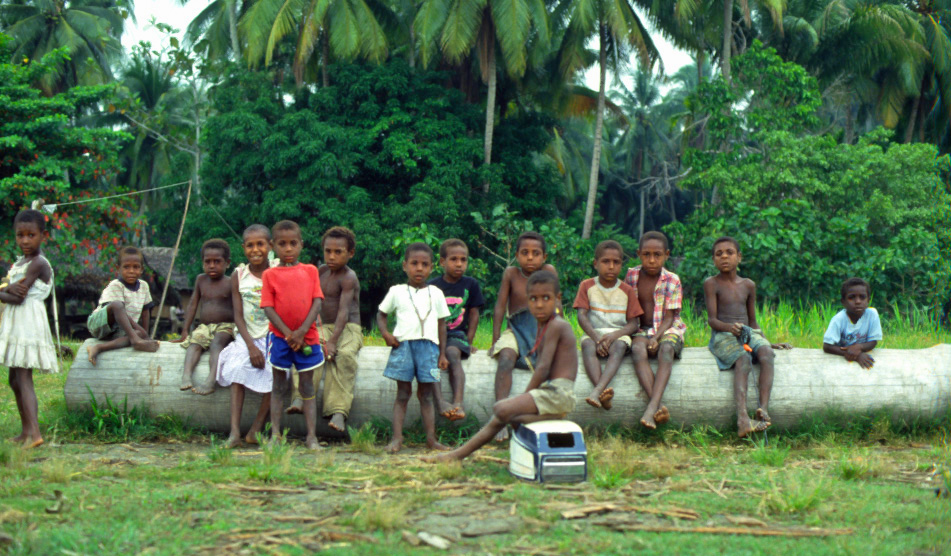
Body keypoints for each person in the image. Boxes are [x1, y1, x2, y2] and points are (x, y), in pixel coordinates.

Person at [423, 270, 577, 463]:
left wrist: (526, 395)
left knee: (502, 409)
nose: (539, 304)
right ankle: (457, 455)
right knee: (504, 415)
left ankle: (456, 455)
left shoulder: (557, 325)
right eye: (533, 299)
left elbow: (543, 367)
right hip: (553, 392)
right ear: (527, 301)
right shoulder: (544, 326)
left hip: (558, 393)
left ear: (558, 299)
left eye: (546, 298)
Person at [704, 236, 792, 438]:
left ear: (739, 257)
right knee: (743, 359)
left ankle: (763, 409)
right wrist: (729, 328)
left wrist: (765, 341)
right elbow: (712, 320)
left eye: (730, 253)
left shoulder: (748, 285)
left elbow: (753, 322)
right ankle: (742, 419)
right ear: (713, 260)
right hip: (723, 334)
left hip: (747, 332)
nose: (724, 257)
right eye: (719, 254)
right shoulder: (711, 284)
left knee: (767, 354)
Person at [287, 227, 363, 433]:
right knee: (306, 350)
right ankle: (299, 395)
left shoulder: (349, 277)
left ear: (350, 253)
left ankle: (338, 411)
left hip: (347, 328)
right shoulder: (320, 272)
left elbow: (343, 312)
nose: (332, 256)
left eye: (338, 252)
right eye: (328, 251)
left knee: (345, 356)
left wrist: (332, 341)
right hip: (322, 326)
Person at [377, 242, 450, 454]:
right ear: (404, 266)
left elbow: (441, 324)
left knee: (426, 395)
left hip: (429, 349)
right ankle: (397, 438)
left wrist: (442, 353)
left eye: (425, 264)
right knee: (402, 393)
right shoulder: (397, 291)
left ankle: (431, 439)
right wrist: (386, 334)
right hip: (404, 347)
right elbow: (381, 314)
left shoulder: (436, 293)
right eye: (414, 263)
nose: (419, 268)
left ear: (432, 268)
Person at [489, 231, 558, 442]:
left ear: (544, 257)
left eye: (536, 253)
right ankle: (500, 415)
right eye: (525, 253)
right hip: (516, 330)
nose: (530, 258)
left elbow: (558, 304)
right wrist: (495, 339)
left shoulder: (549, 271)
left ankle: (543, 417)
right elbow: (500, 306)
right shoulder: (511, 274)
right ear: (517, 256)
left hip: (543, 328)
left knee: (549, 364)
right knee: (507, 357)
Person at [261, 220, 325, 450]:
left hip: (307, 338)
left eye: (293, 243)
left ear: (301, 245)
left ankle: (311, 437)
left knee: (307, 386)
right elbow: (268, 307)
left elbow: (316, 302)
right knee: (278, 385)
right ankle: (275, 435)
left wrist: (301, 332)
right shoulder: (269, 275)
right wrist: (289, 334)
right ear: (272, 246)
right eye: (282, 244)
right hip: (280, 338)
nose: (288, 249)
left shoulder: (311, 271)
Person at [0, 210, 59, 449]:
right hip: (17, 320)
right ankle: (26, 432)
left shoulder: (38, 263)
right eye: (20, 235)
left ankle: (35, 434)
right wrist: (6, 288)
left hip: (27, 320)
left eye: (31, 235)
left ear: (43, 236)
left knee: (24, 377)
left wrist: (5, 289)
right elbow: (9, 290)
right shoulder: (21, 262)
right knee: (14, 379)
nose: (25, 240)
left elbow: (17, 297)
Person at [216, 225, 275, 447]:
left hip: (273, 335)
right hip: (246, 336)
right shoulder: (239, 275)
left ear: (270, 246)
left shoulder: (278, 270)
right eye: (250, 245)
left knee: (278, 372)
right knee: (237, 369)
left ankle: (255, 430)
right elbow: (238, 316)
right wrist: (250, 346)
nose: (255, 250)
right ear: (243, 248)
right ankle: (234, 433)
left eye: (260, 244)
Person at [624, 231, 688, 429]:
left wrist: (657, 338)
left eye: (657, 255)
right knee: (637, 350)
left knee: (666, 349)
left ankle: (651, 408)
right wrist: (646, 338)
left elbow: (669, 317)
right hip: (641, 329)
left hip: (668, 328)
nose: (651, 260)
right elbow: (630, 309)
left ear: (666, 255)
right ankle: (658, 406)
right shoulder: (632, 275)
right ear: (639, 254)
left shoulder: (672, 279)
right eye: (646, 254)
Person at [575, 240, 642, 411]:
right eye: (606, 262)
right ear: (595, 263)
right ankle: (602, 392)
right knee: (587, 346)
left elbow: (634, 324)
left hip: (618, 334)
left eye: (616, 262)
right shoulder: (587, 285)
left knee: (619, 347)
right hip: (594, 333)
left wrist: (614, 336)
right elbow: (581, 315)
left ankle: (597, 390)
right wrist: (596, 337)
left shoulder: (626, 290)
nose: (611, 266)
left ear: (621, 264)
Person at [429, 238, 485, 421]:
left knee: (453, 353)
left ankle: (458, 403)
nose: (459, 264)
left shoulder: (471, 285)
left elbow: (474, 314)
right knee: (430, 357)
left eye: (463, 260)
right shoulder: (432, 286)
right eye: (454, 259)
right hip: (434, 334)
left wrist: (468, 342)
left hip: (456, 334)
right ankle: (440, 402)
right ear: (442, 262)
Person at [174, 239, 235, 395]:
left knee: (216, 344)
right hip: (204, 327)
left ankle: (210, 380)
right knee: (195, 343)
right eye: (208, 261)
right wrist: (185, 330)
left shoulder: (231, 282)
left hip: (226, 326)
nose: (212, 265)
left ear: (227, 263)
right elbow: (193, 305)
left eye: (217, 261)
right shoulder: (201, 280)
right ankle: (186, 375)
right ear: (202, 263)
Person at [85, 246, 159, 365]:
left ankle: (99, 348)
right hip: (99, 324)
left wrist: (145, 336)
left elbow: (146, 312)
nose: (131, 271)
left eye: (136, 267)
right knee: (118, 305)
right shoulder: (116, 285)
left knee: (139, 333)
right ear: (118, 269)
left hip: (120, 330)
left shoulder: (144, 286)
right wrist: (138, 335)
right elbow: (119, 311)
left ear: (142, 269)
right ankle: (135, 340)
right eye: (126, 267)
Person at [822, 277, 882, 369]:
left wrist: (859, 347)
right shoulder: (839, 319)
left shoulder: (872, 314)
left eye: (862, 297)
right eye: (851, 297)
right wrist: (855, 355)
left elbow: (873, 342)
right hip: (839, 363)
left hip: (863, 357)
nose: (858, 301)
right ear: (843, 302)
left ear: (868, 300)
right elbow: (827, 346)